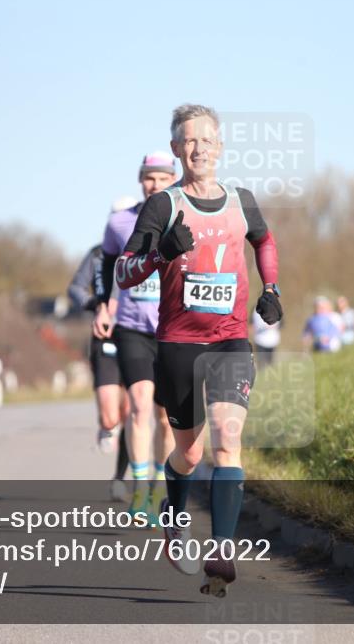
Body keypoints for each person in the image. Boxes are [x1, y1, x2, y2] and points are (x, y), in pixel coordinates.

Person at [113, 104, 282, 597]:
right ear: (176, 149)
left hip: (230, 339)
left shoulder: (241, 200)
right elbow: (125, 272)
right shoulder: (163, 206)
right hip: (178, 342)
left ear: (220, 147)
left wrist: (271, 289)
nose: (199, 148)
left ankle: (222, 549)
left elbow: (264, 240)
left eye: (208, 139)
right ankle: (174, 513)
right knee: (188, 451)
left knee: (228, 440)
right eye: (189, 140)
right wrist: (160, 253)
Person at [94, 153, 178, 520]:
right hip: (131, 326)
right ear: (140, 181)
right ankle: (141, 490)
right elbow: (108, 262)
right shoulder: (119, 222)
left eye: (162, 178)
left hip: (172, 327)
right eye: (149, 178)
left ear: (172, 180)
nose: (155, 184)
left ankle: (159, 485)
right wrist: (103, 303)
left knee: (165, 416)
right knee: (140, 403)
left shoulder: (182, 218)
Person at [67, 239, 131, 501]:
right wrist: (95, 303)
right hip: (104, 336)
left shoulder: (149, 251)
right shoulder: (96, 253)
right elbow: (75, 288)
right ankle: (106, 427)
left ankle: (119, 478)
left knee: (130, 412)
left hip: (136, 335)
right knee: (110, 417)